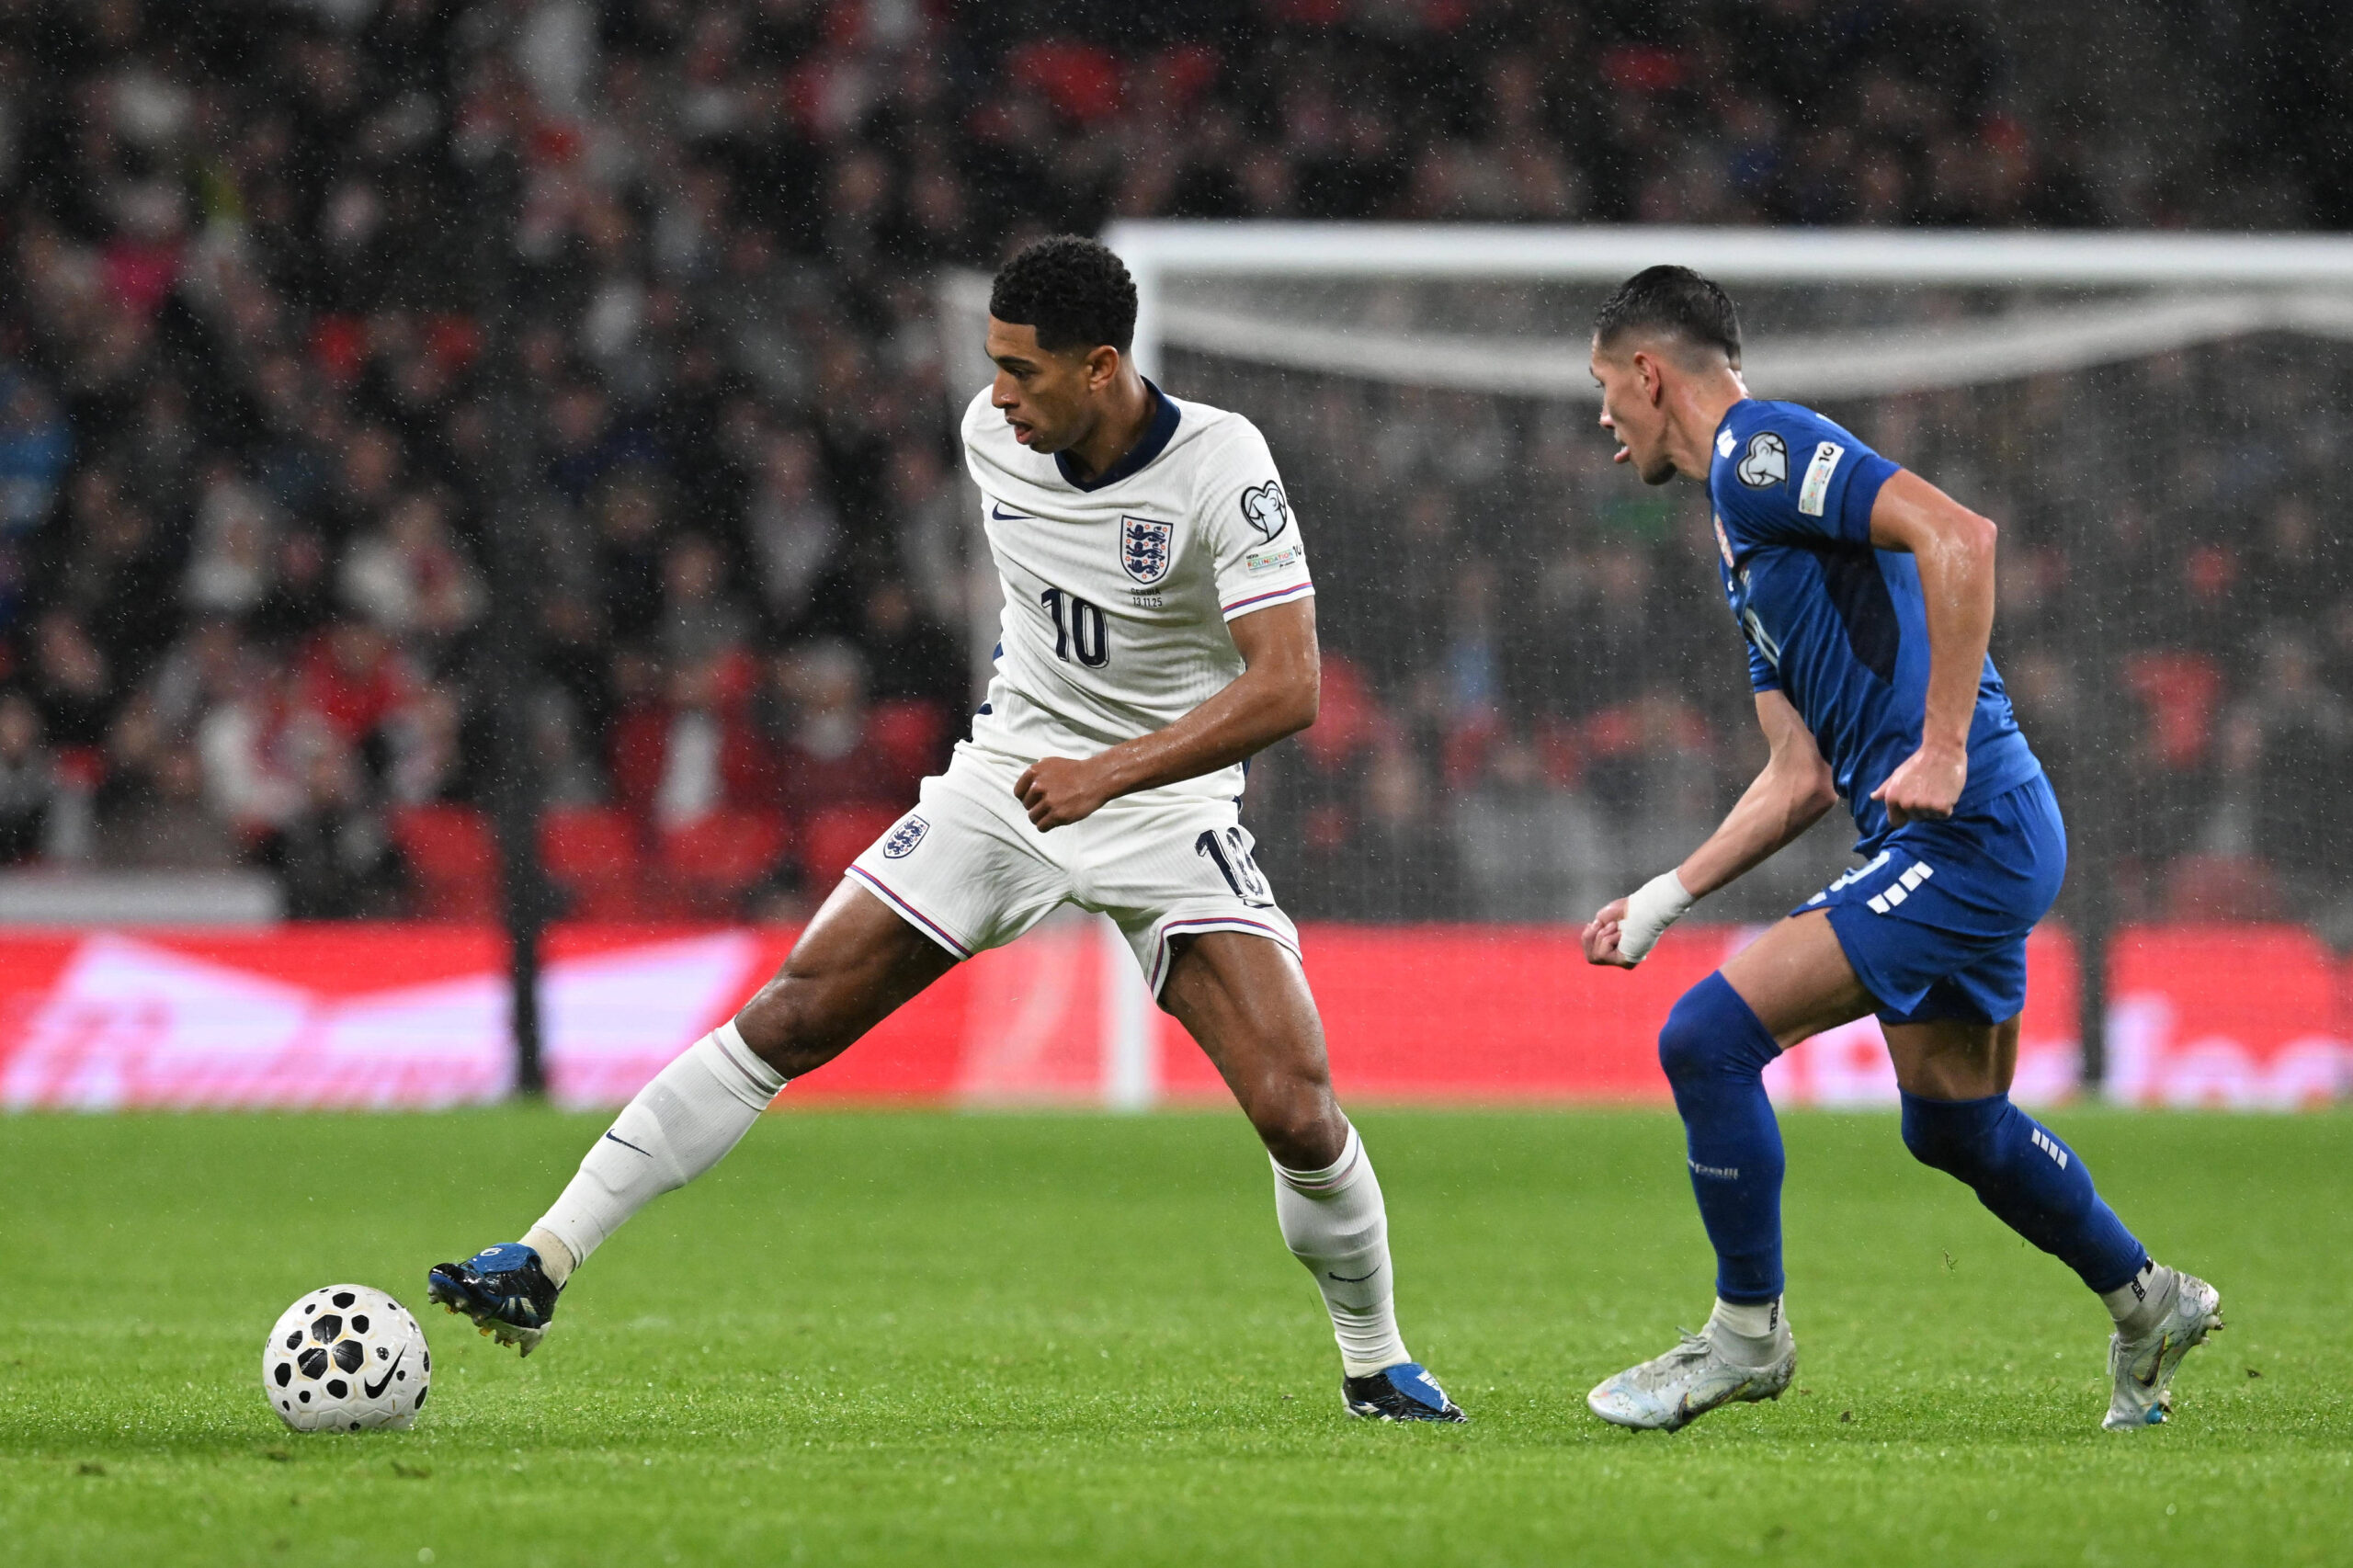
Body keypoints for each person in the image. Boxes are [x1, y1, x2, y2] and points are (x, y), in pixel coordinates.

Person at [428, 235, 1466, 1425]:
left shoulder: (1221, 465)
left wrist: (1111, 771)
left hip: (1162, 800)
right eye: (993, 364)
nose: (997, 394)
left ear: (1101, 365)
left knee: (1295, 1106)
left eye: (1023, 369)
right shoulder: (992, 436)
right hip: (1008, 783)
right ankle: (544, 1257)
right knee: (793, 1010)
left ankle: (1376, 1361)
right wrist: (1056, 760)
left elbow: (1290, 686)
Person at [1577, 266, 2218, 1435]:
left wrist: (1944, 745)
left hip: (1966, 827)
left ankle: (1745, 1335)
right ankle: (2150, 1300)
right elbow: (1797, 775)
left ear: (1648, 373)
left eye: (1604, 387)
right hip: (1965, 833)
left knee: (1705, 1039)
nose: (1604, 420)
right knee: (1953, 1122)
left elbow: (1958, 533)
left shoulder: (1761, 451)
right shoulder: (1741, 536)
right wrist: (1662, 895)